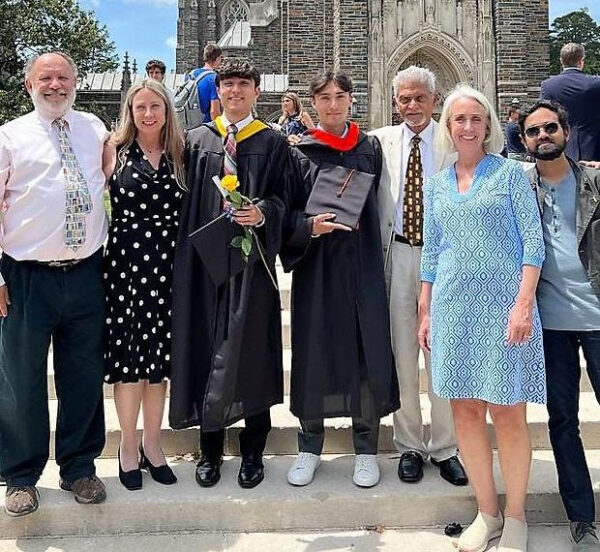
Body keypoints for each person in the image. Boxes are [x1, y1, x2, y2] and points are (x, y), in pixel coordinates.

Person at [418, 85, 545, 552]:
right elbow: (432, 252)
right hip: (454, 310)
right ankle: (486, 512)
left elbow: (533, 244)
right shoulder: (436, 185)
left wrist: (523, 303)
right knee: (465, 412)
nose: (467, 127)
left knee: (508, 413)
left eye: (475, 118)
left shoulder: (512, 175)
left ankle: (516, 517)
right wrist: (425, 308)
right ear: (448, 128)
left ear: (488, 125)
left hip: (505, 310)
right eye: (458, 120)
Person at [169, 59, 289, 489]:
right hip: (206, 266)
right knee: (207, 349)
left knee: (253, 350)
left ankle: (253, 449)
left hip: (252, 264)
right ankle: (210, 449)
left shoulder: (273, 143)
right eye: (229, 84)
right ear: (218, 92)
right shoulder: (197, 141)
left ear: (257, 92)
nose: (236, 91)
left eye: (244, 84)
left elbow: (286, 202)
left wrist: (264, 213)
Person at [0, 51, 109, 516]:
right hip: (25, 277)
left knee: (83, 376)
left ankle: (79, 467)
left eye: (64, 77)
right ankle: (21, 476)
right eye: (45, 78)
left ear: (76, 83)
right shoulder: (8, 137)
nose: (55, 85)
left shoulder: (95, 129)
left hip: (86, 272)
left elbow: (108, 176)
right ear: (30, 85)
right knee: (21, 380)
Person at [282, 71, 399, 489]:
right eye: (324, 98)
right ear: (313, 104)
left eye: (340, 97)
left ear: (352, 100)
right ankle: (309, 445)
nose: (333, 105)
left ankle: (365, 448)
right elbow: (286, 211)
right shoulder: (300, 153)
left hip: (362, 263)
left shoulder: (369, 148)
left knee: (366, 350)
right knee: (314, 349)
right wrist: (307, 227)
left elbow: (385, 203)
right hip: (318, 267)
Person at [369, 66, 467, 487]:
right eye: (404, 99)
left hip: (442, 259)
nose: (411, 106)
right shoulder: (379, 141)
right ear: (395, 102)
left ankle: (446, 446)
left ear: (434, 100)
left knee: (442, 357)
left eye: (419, 98)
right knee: (402, 353)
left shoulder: (452, 142)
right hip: (398, 256)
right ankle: (409, 444)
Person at [520, 99, 600, 551]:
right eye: (534, 131)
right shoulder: (520, 186)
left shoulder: (595, 181)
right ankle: (582, 520)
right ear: (525, 140)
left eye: (550, 128)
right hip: (550, 323)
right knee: (563, 422)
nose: (543, 136)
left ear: (566, 133)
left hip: (597, 316)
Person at [103, 79, 184, 490]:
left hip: (168, 270)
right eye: (140, 108)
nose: (149, 114)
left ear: (167, 110)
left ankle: (154, 445)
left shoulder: (179, 155)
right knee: (129, 363)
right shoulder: (113, 152)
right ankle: (128, 447)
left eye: (156, 106)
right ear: (130, 113)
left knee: (158, 368)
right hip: (126, 269)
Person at [541, 43, 600, 162]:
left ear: (561, 61)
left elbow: (543, 116)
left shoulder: (548, 86)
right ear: (581, 60)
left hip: (559, 149)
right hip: (593, 148)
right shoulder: (595, 84)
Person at [187, 44, 223, 123]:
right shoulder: (213, 78)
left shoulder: (191, 74)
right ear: (217, 59)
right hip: (205, 126)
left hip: (189, 124)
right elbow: (214, 111)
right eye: (221, 59)